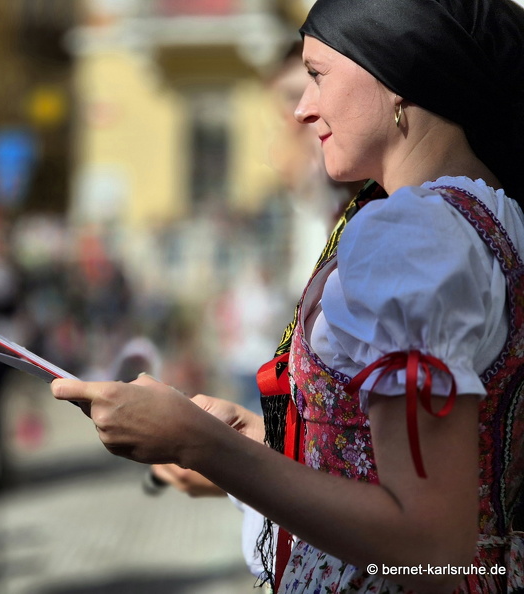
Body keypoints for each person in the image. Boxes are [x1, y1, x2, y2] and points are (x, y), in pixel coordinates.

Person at [50, 0, 524, 592]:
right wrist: (261, 445)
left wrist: (203, 446)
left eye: (317, 75)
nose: (303, 108)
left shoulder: (414, 240)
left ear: (399, 73)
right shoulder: (491, 217)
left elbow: (431, 547)